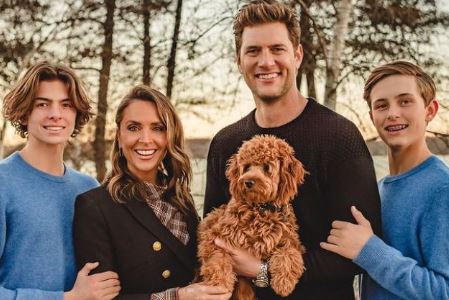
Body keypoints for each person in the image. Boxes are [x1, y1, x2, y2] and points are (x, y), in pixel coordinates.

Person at [203, 1, 382, 299]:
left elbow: (359, 253)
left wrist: (263, 271)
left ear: (297, 55)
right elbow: (213, 238)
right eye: (253, 51)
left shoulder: (339, 137)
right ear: (239, 61)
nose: (266, 62)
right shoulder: (225, 143)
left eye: (277, 49)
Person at [73, 85, 231, 300]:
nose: (146, 139)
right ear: (119, 136)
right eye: (134, 127)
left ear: (170, 137)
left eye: (157, 128)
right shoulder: (94, 206)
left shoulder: (181, 198)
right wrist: (176, 297)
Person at [320, 61, 449, 299]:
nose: (392, 113)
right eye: (382, 105)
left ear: (430, 110)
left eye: (405, 101)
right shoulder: (378, 189)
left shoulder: (442, 189)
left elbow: (444, 290)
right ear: (372, 116)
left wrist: (369, 250)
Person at [0, 61, 120, 300]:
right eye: (43, 104)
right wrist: (68, 298)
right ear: (24, 113)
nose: (55, 114)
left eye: (66, 105)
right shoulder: (3, 183)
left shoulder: (89, 188)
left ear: (77, 114)